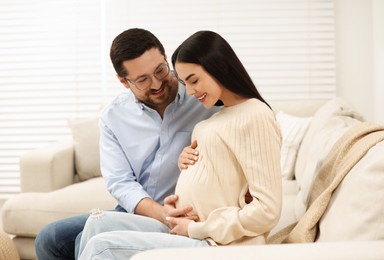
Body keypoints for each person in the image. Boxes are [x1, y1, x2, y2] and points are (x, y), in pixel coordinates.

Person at [76, 30, 283, 260]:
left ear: (220, 67)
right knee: (96, 223)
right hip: (183, 224)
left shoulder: (253, 114)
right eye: (186, 83)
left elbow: (266, 207)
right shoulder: (216, 117)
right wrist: (188, 159)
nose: (190, 92)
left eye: (193, 81)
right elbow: (221, 161)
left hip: (209, 237)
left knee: (100, 246)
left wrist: (199, 227)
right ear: (124, 81)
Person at [34, 28, 221, 260]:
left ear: (165, 57)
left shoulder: (201, 96)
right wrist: (161, 213)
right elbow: (120, 182)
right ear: (123, 81)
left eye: (160, 70)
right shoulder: (113, 116)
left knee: (88, 241)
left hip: (188, 210)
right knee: (50, 238)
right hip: (137, 209)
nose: (157, 84)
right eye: (142, 80)